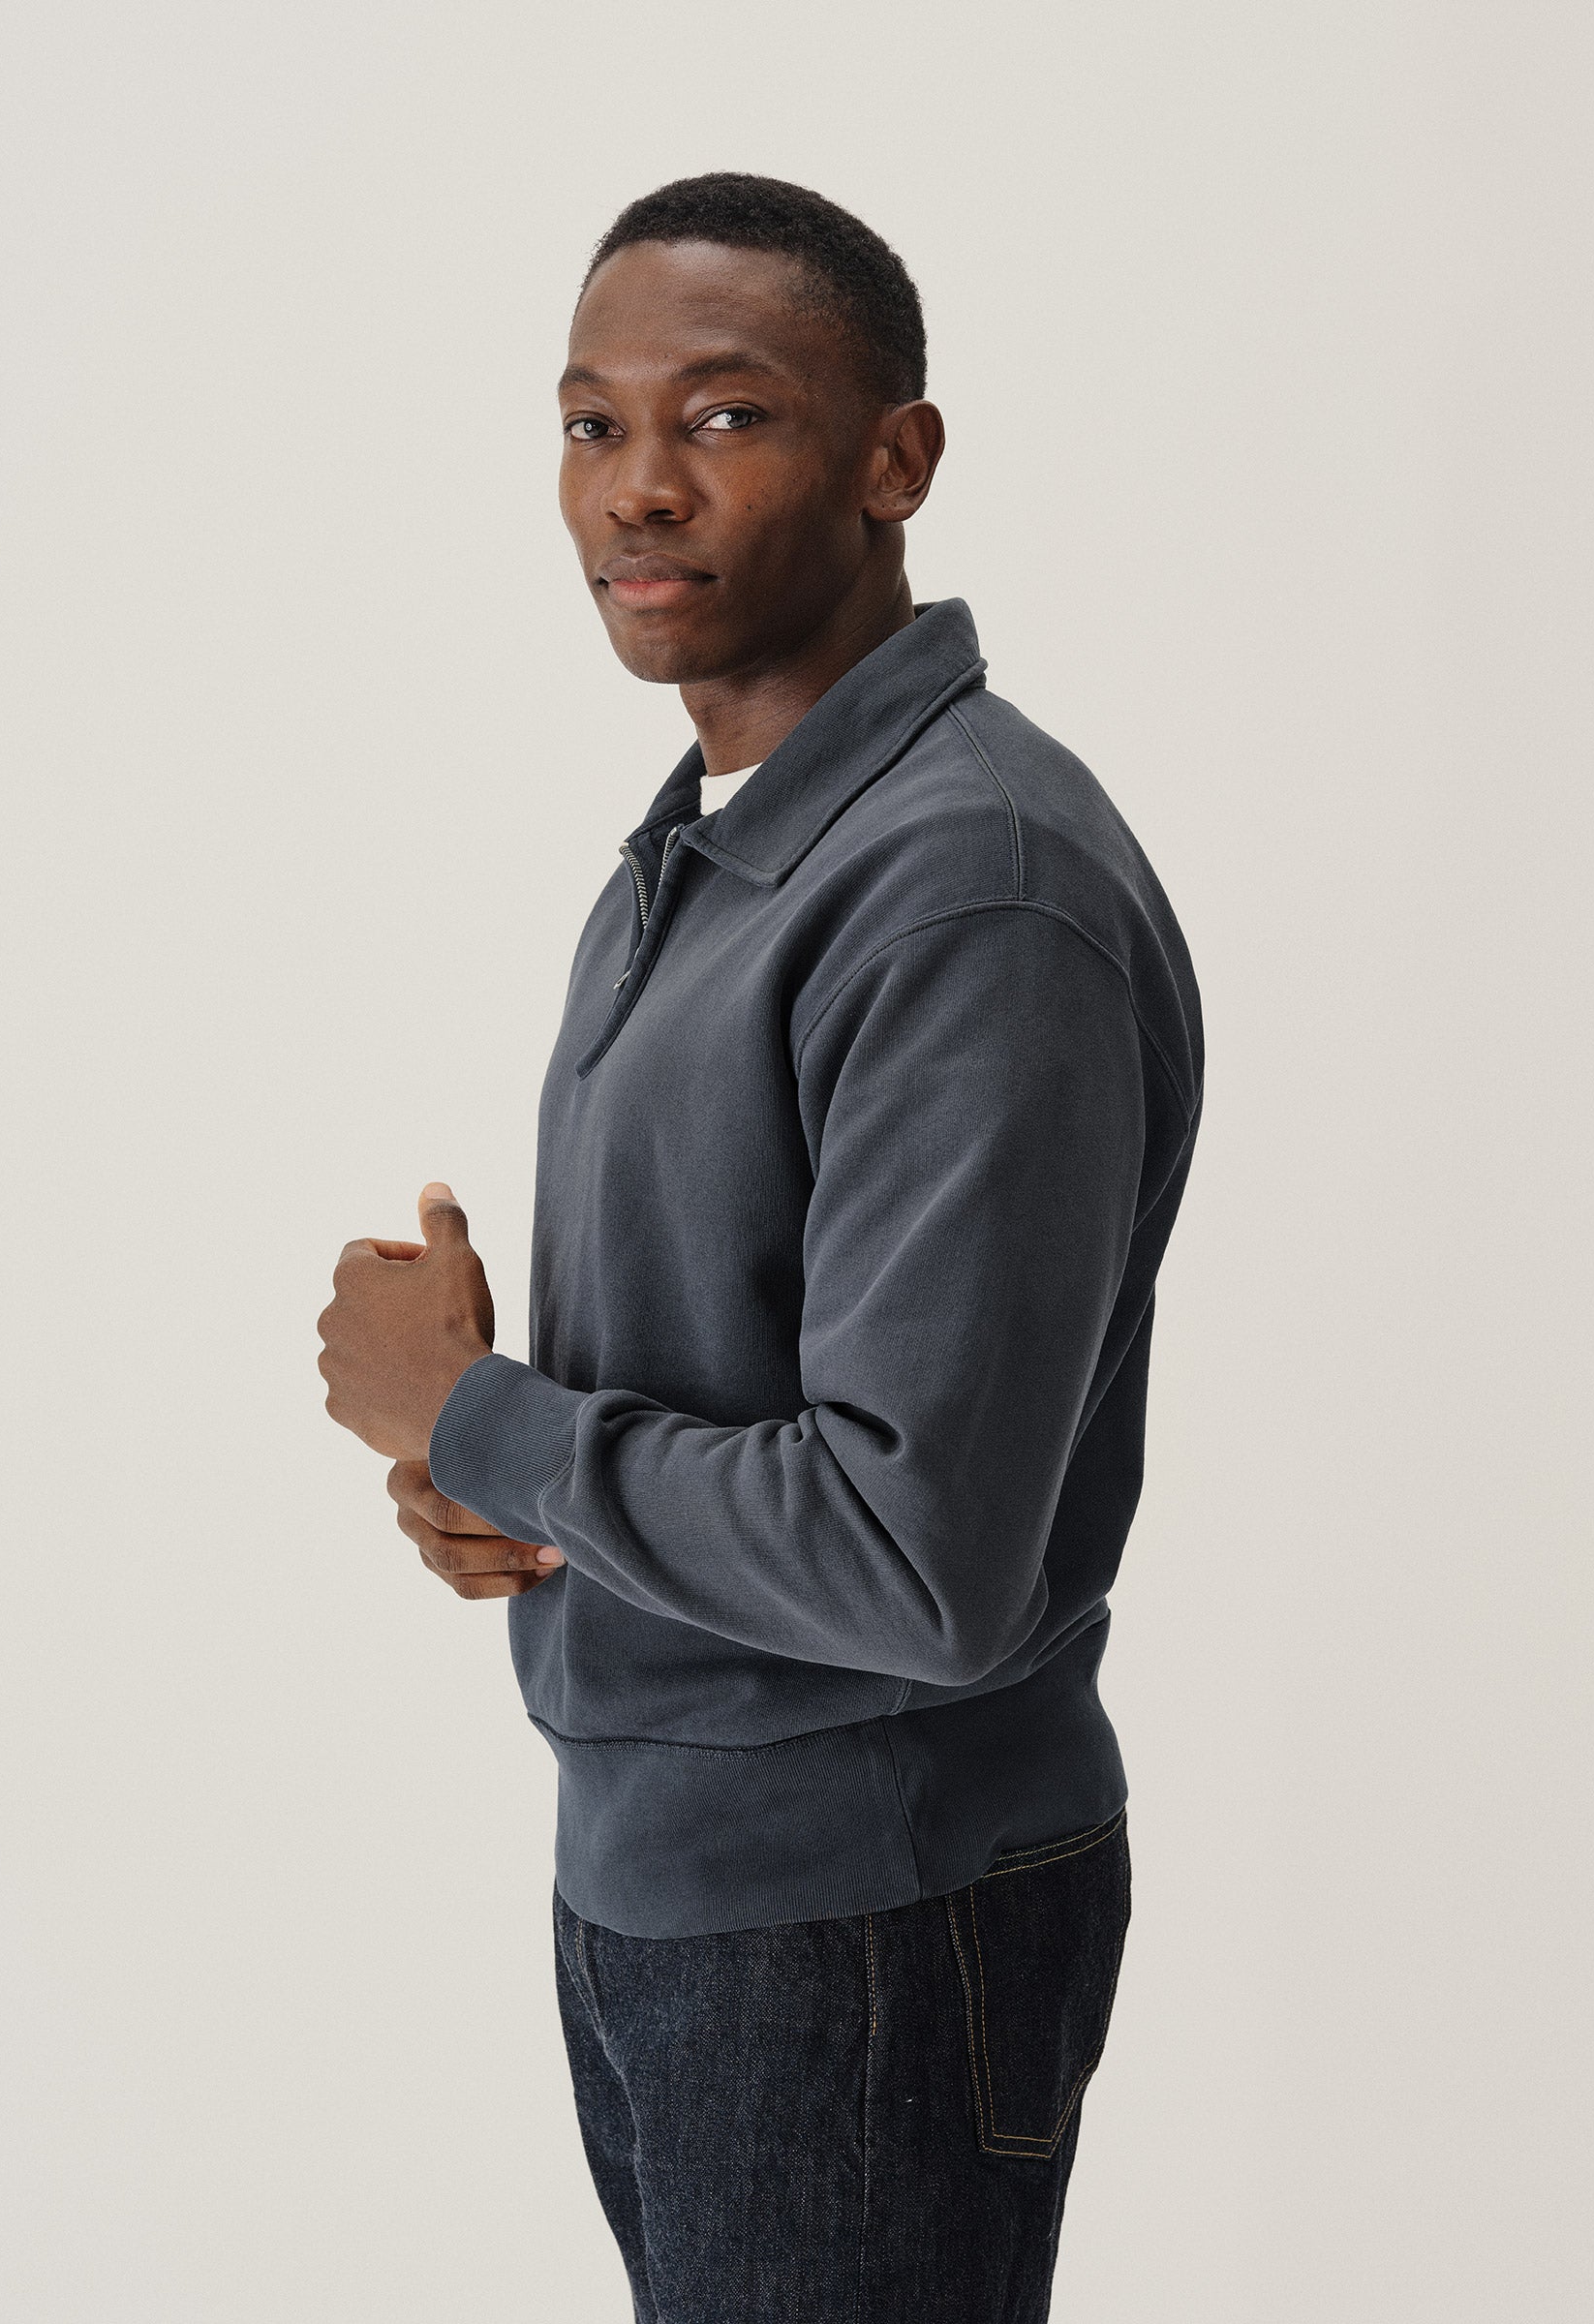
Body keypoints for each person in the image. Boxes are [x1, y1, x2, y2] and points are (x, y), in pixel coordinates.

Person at [317, 172, 1204, 2324]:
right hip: (680, 1890)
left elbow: (912, 1556)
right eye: (592, 423)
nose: (639, 486)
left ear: (896, 459)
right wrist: (492, 1487)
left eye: (724, 417)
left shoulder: (967, 887)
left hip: (860, 1920)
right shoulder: (716, 848)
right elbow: (724, 1399)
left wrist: (489, 1421)